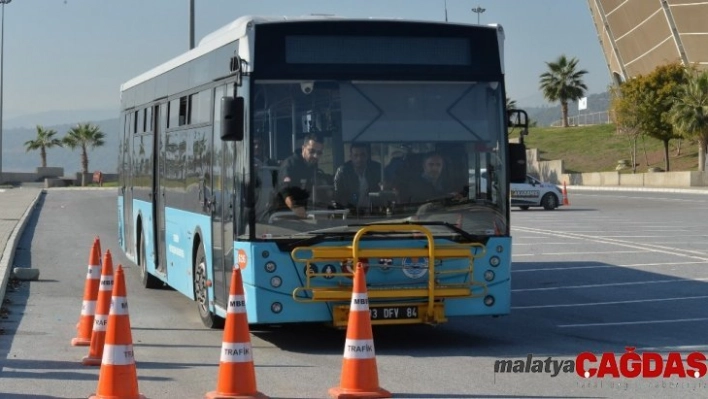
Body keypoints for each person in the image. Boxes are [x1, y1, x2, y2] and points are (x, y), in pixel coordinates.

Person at [270, 133, 325, 218]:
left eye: (319, 153)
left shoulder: (311, 166)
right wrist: (295, 207)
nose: (315, 156)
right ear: (303, 148)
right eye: (312, 151)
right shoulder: (289, 165)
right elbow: (284, 190)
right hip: (281, 217)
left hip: (301, 215)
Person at [333, 143, 382, 212]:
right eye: (356, 155)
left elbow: (383, 193)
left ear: (367, 155)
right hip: (350, 214)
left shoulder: (376, 169)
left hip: (374, 213)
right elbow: (338, 197)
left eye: (362, 155)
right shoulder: (343, 172)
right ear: (351, 157)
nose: (359, 159)